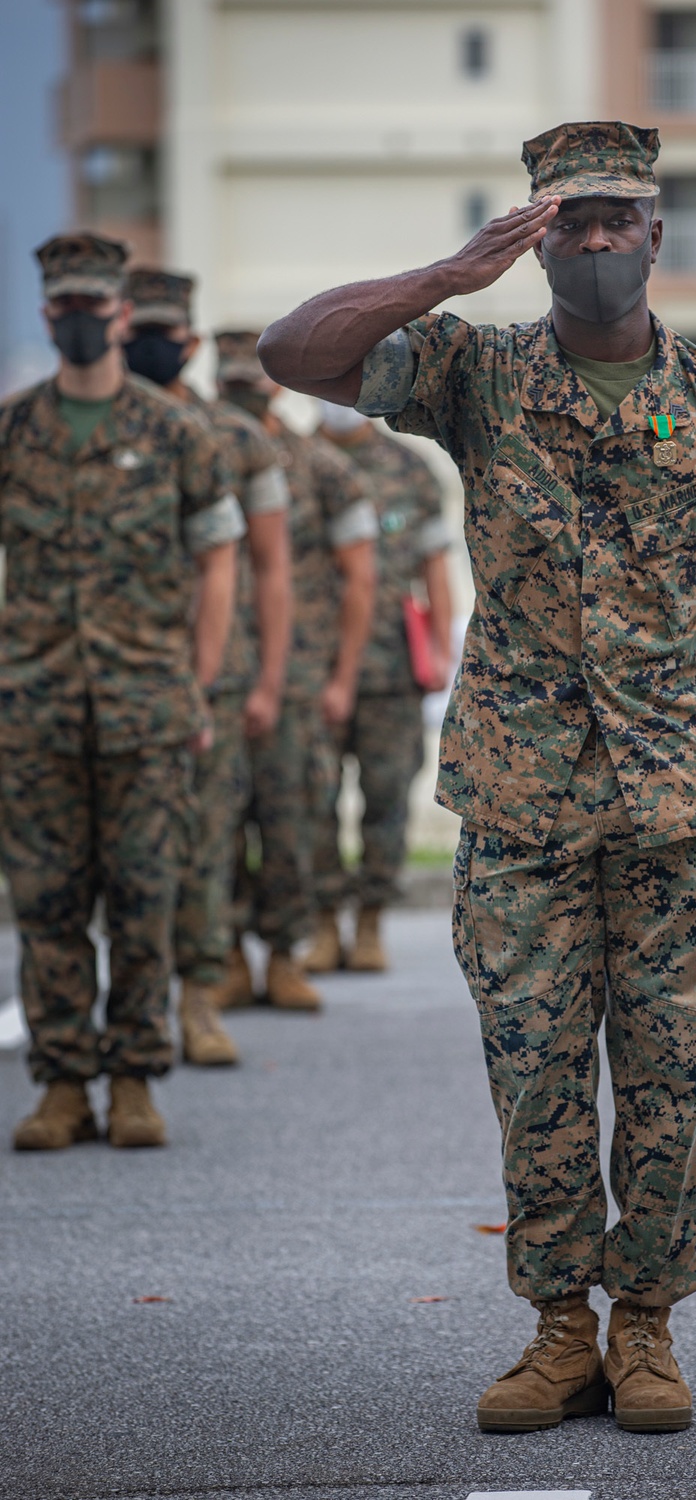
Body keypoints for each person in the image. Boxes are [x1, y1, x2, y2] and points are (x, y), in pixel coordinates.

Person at [259, 121, 696, 1433]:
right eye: (571, 220)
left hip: (674, 789)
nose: (597, 242)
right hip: (519, 790)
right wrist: (445, 277)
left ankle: (648, 1330)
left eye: (618, 218)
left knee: (671, 1068)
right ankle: (560, 1331)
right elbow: (293, 353)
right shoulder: (472, 371)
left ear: (657, 232)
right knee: (538, 1066)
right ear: (537, 235)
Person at [2, 233, 242, 1150]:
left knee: (146, 896)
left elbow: (218, 559)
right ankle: (64, 1083)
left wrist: (200, 680)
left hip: (147, 707)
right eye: (62, 309)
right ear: (46, 315)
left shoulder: (178, 432)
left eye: (92, 309)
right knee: (49, 902)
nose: (78, 322)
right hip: (34, 708)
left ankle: (136, 1078)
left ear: (117, 312)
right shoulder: (13, 432)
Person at [122, 269, 293, 1066]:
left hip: (210, 681)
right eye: (136, 329)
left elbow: (270, 568)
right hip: (108, 678)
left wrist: (264, 681)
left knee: (205, 845)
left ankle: (197, 998)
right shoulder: (80, 429)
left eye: (162, 331)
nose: (146, 344)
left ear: (185, 343)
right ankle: (129, 1009)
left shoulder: (233, 438)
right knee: (119, 856)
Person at [213, 333, 377, 1010]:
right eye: (230, 387)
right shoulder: (199, 452)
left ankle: (284, 954)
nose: (241, 400)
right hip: (218, 671)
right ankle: (222, 956)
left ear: (275, 387)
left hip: (297, 674)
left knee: (292, 819)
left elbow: (362, 580)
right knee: (216, 821)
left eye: (251, 387)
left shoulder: (320, 468)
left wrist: (341, 678)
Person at [302, 405, 452, 974]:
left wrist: (440, 648)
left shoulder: (408, 469)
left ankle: (369, 922)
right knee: (311, 801)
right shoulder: (293, 462)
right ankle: (322, 921)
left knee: (387, 800)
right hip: (311, 668)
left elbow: (434, 566)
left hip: (391, 670)